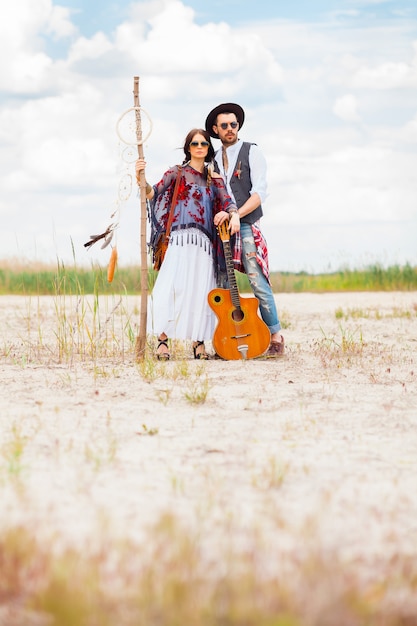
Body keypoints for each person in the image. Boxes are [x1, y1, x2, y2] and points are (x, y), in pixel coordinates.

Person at [135, 128, 240, 360]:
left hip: (204, 245)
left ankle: (198, 343)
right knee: (169, 288)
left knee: (201, 291)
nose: (199, 146)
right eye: (195, 143)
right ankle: (162, 341)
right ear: (188, 148)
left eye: (203, 143)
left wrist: (232, 215)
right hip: (179, 240)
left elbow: (229, 202)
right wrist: (141, 178)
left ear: (208, 148)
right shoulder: (177, 172)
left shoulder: (215, 179)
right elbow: (153, 193)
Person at [205, 103, 285, 357]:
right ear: (216, 130)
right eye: (225, 126)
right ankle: (228, 336)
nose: (230, 129)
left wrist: (236, 214)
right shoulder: (213, 159)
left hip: (247, 223)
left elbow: (259, 192)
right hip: (223, 230)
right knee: (225, 284)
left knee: (257, 281)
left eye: (234, 125)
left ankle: (276, 337)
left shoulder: (252, 152)